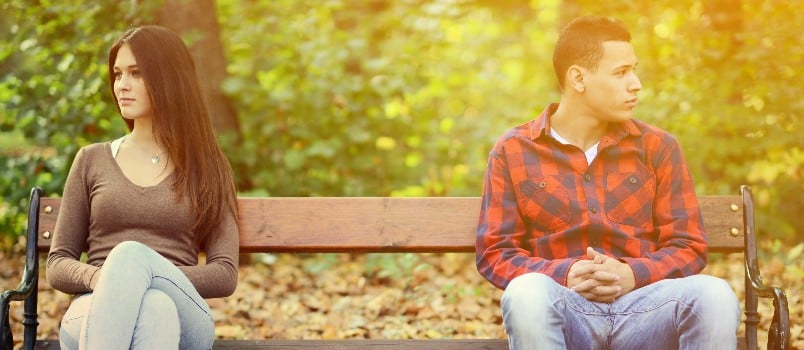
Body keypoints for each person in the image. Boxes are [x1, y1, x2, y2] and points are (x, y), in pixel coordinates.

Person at [475, 16, 740, 349]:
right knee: (526, 293)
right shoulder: (513, 150)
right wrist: (566, 274)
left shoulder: (657, 148)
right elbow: (496, 252)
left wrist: (631, 273)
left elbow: (688, 246)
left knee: (714, 294)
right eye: (620, 73)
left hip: (646, 308)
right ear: (578, 78)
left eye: (634, 70)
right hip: (565, 308)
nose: (636, 84)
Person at [46, 25, 239, 350]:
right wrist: (108, 280)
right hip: (93, 308)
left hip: (186, 316)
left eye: (136, 73)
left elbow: (224, 273)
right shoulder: (91, 160)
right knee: (153, 309)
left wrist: (145, 272)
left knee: (134, 260)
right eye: (118, 74)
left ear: (169, 78)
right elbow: (58, 262)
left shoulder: (207, 165)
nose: (122, 85)